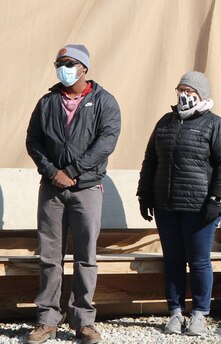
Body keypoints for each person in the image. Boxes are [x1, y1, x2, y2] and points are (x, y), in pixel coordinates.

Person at [25, 44, 121, 344]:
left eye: (68, 63)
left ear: (84, 68)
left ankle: (83, 321)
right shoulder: (47, 101)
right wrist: (52, 171)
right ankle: (47, 319)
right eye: (59, 63)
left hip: (87, 189)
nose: (62, 68)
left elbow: (106, 142)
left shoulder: (105, 101)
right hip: (51, 190)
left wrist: (73, 171)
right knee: (49, 257)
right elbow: (33, 141)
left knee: (85, 257)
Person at [137, 71, 221, 336]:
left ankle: (200, 314)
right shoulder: (165, 123)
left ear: (202, 94)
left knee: (199, 260)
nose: (184, 95)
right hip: (166, 205)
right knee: (173, 260)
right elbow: (151, 160)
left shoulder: (215, 124)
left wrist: (217, 196)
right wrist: (144, 194)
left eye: (190, 91)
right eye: (180, 89)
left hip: (200, 207)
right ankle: (175, 312)